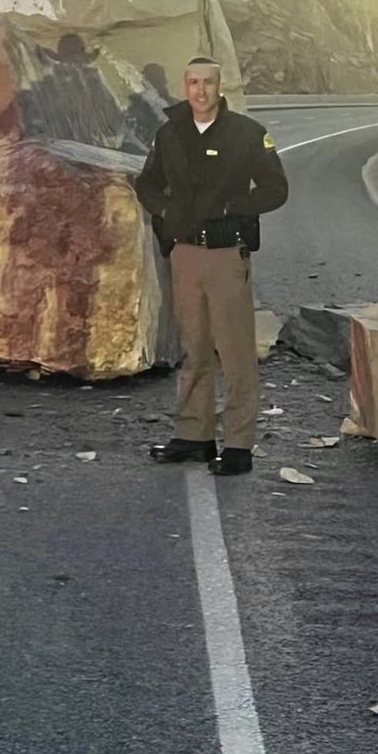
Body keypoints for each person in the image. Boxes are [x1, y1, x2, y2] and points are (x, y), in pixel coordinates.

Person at [134, 57, 288, 475]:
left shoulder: (247, 134)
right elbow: (146, 182)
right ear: (184, 86)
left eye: (209, 82)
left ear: (221, 87)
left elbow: (276, 188)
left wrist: (234, 206)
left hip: (225, 255)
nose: (200, 90)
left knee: (235, 352)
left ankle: (238, 446)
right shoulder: (169, 134)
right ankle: (194, 436)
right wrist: (165, 211)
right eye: (193, 82)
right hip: (184, 255)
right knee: (194, 349)